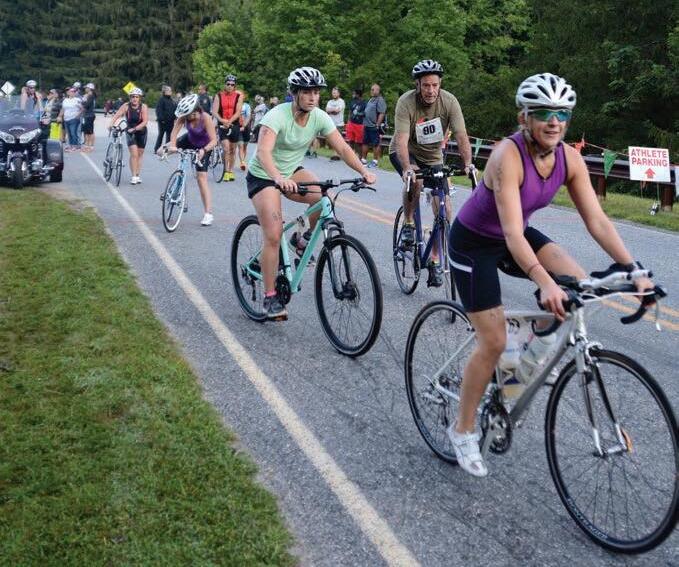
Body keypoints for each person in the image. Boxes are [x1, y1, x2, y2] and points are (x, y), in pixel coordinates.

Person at [447, 73, 654, 477]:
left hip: (516, 237)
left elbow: (597, 220)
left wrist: (633, 269)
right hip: (475, 243)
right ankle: (463, 429)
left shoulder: (569, 159)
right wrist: (543, 281)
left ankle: (522, 363)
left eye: (562, 114)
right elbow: (511, 233)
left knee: (579, 286)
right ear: (524, 117)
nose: (554, 121)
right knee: (493, 340)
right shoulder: (507, 156)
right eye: (543, 112)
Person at [246, 66, 376, 320]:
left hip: (291, 172)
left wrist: (364, 171)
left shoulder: (319, 117)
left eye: (316, 92)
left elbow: (342, 148)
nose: (313, 97)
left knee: (324, 198)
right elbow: (263, 152)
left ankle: (302, 240)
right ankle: (270, 297)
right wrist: (278, 178)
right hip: (264, 175)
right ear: (295, 93)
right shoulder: (276, 115)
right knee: (273, 235)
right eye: (307, 92)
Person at [390, 59, 473, 287]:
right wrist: (407, 168)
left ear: (440, 84)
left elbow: (461, 135)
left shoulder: (449, 102)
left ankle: (434, 259)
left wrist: (468, 164)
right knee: (415, 181)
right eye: (426, 85)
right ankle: (409, 223)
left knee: (445, 209)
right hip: (405, 152)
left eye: (435, 85)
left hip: (433, 156)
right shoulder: (406, 102)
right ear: (417, 85)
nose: (431, 90)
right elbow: (401, 140)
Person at [163, 93, 218, 226]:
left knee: (201, 178)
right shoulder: (184, 116)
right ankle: (175, 187)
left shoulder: (205, 118)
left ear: (194, 111)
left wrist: (204, 150)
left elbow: (214, 141)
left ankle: (208, 213)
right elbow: (174, 133)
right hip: (189, 140)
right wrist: (173, 146)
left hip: (204, 146)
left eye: (187, 115)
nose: (185, 117)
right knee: (161, 150)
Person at [109, 87, 149, 184]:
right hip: (130, 132)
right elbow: (117, 115)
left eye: (136, 97)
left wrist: (135, 129)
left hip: (141, 131)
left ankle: (137, 175)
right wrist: (111, 124)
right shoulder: (126, 106)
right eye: (132, 97)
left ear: (140, 98)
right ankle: (133, 176)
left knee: (140, 154)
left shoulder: (143, 107)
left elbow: (145, 121)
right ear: (130, 98)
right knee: (134, 154)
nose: (134, 99)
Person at [212, 74, 243, 182]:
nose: (230, 86)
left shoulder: (239, 96)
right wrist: (222, 120)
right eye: (228, 84)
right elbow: (214, 112)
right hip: (222, 124)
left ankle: (230, 171)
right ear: (225, 84)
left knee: (233, 149)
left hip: (234, 124)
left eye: (232, 84)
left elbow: (238, 112)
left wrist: (229, 121)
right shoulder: (218, 96)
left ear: (235, 86)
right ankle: (225, 171)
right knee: (226, 148)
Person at [361, 83, 387, 167]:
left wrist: (377, 125)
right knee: (365, 142)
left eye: (373, 90)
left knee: (375, 144)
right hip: (366, 125)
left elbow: (382, 113)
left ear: (378, 91)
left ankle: (375, 161)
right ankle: (363, 160)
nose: (371, 91)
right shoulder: (371, 99)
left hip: (374, 126)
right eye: (371, 89)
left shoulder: (380, 100)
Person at [325, 86, 345, 160]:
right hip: (331, 123)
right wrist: (333, 110)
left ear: (339, 94)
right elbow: (327, 110)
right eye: (333, 93)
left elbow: (337, 111)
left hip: (339, 124)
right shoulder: (330, 102)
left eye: (335, 93)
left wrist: (331, 110)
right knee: (332, 140)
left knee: (338, 140)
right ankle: (335, 153)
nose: (334, 94)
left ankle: (337, 154)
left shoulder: (341, 101)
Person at [155, 85, 176, 153]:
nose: (170, 91)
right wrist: (161, 119)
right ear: (164, 91)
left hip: (170, 121)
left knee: (169, 136)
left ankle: (166, 150)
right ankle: (157, 149)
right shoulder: (161, 100)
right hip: (163, 122)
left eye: (171, 90)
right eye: (169, 90)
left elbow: (175, 109)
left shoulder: (172, 100)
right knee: (161, 135)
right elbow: (158, 110)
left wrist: (175, 117)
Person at [345, 89, 366, 155]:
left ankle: (359, 156)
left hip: (359, 124)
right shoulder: (352, 102)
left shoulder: (364, 103)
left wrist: (359, 114)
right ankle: (350, 155)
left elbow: (365, 114)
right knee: (351, 141)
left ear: (358, 95)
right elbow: (350, 112)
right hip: (351, 123)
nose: (353, 95)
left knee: (359, 143)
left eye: (354, 94)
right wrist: (348, 122)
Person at [81, 83, 96, 152]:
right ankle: (86, 145)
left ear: (90, 89)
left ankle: (91, 146)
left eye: (86, 88)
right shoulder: (88, 96)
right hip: (86, 115)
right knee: (86, 131)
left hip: (90, 115)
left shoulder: (91, 96)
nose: (85, 89)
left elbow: (86, 105)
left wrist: (83, 100)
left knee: (90, 131)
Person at [238, 95, 252, 170]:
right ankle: (242, 162)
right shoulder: (235, 106)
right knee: (240, 145)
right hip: (238, 127)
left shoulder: (246, 106)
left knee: (245, 146)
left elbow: (248, 116)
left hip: (246, 128)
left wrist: (244, 126)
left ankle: (243, 160)